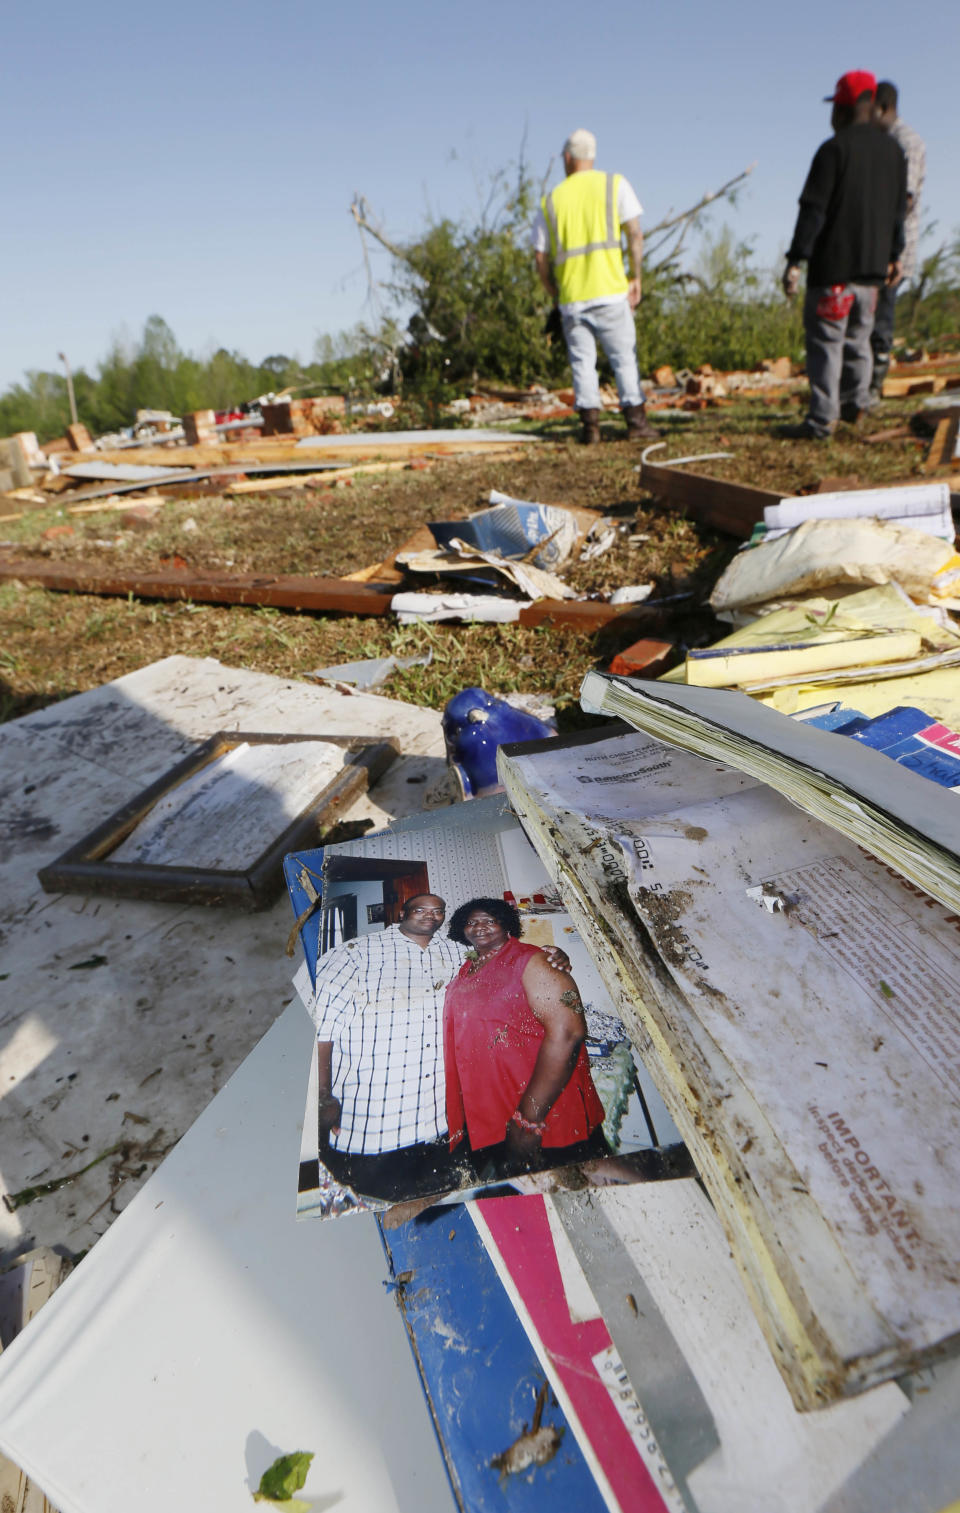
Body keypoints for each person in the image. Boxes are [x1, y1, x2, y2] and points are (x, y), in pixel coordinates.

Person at [311, 892, 569, 1202]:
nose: (430, 915)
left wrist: (552, 954)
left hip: (446, 1131)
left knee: (462, 1207)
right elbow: (321, 1032)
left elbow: (505, 960)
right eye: (421, 909)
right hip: (372, 1132)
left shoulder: (459, 954)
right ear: (401, 912)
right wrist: (323, 1093)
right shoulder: (353, 954)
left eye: (438, 911)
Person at [443, 897, 608, 1180]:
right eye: (471, 922)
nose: (479, 926)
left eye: (488, 920)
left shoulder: (533, 960)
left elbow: (569, 1032)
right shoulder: (465, 970)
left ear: (506, 923)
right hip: (492, 1108)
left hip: (540, 1109)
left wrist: (528, 1121)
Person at [782, 70, 906, 440]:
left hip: (833, 274)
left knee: (827, 345)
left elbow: (813, 210)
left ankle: (821, 422)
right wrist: (895, 255)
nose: (831, 116)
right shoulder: (894, 153)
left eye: (835, 107)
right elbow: (899, 212)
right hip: (871, 274)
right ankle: (856, 409)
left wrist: (795, 259)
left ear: (847, 108)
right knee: (858, 342)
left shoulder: (833, 150)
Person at [532, 128, 659, 445]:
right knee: (623, 358)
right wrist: (636, 276)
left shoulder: (552, 200)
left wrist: (554, 292)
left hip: (573, 298)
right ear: (592, 155)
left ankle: (590, 427)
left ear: (567, 158)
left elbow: (539, 256)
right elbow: (635, 233)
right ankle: (636, 422)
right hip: (610, 291)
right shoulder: (614, 184)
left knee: (582, 364)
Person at [870, 81, 926, 401]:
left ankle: (874, 386)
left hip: (895, 244)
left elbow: (903, 199)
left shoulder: (907, 142)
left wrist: (891, 243)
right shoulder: (880, 142)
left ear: (883, 107)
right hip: (874, 243)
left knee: (883, 315)